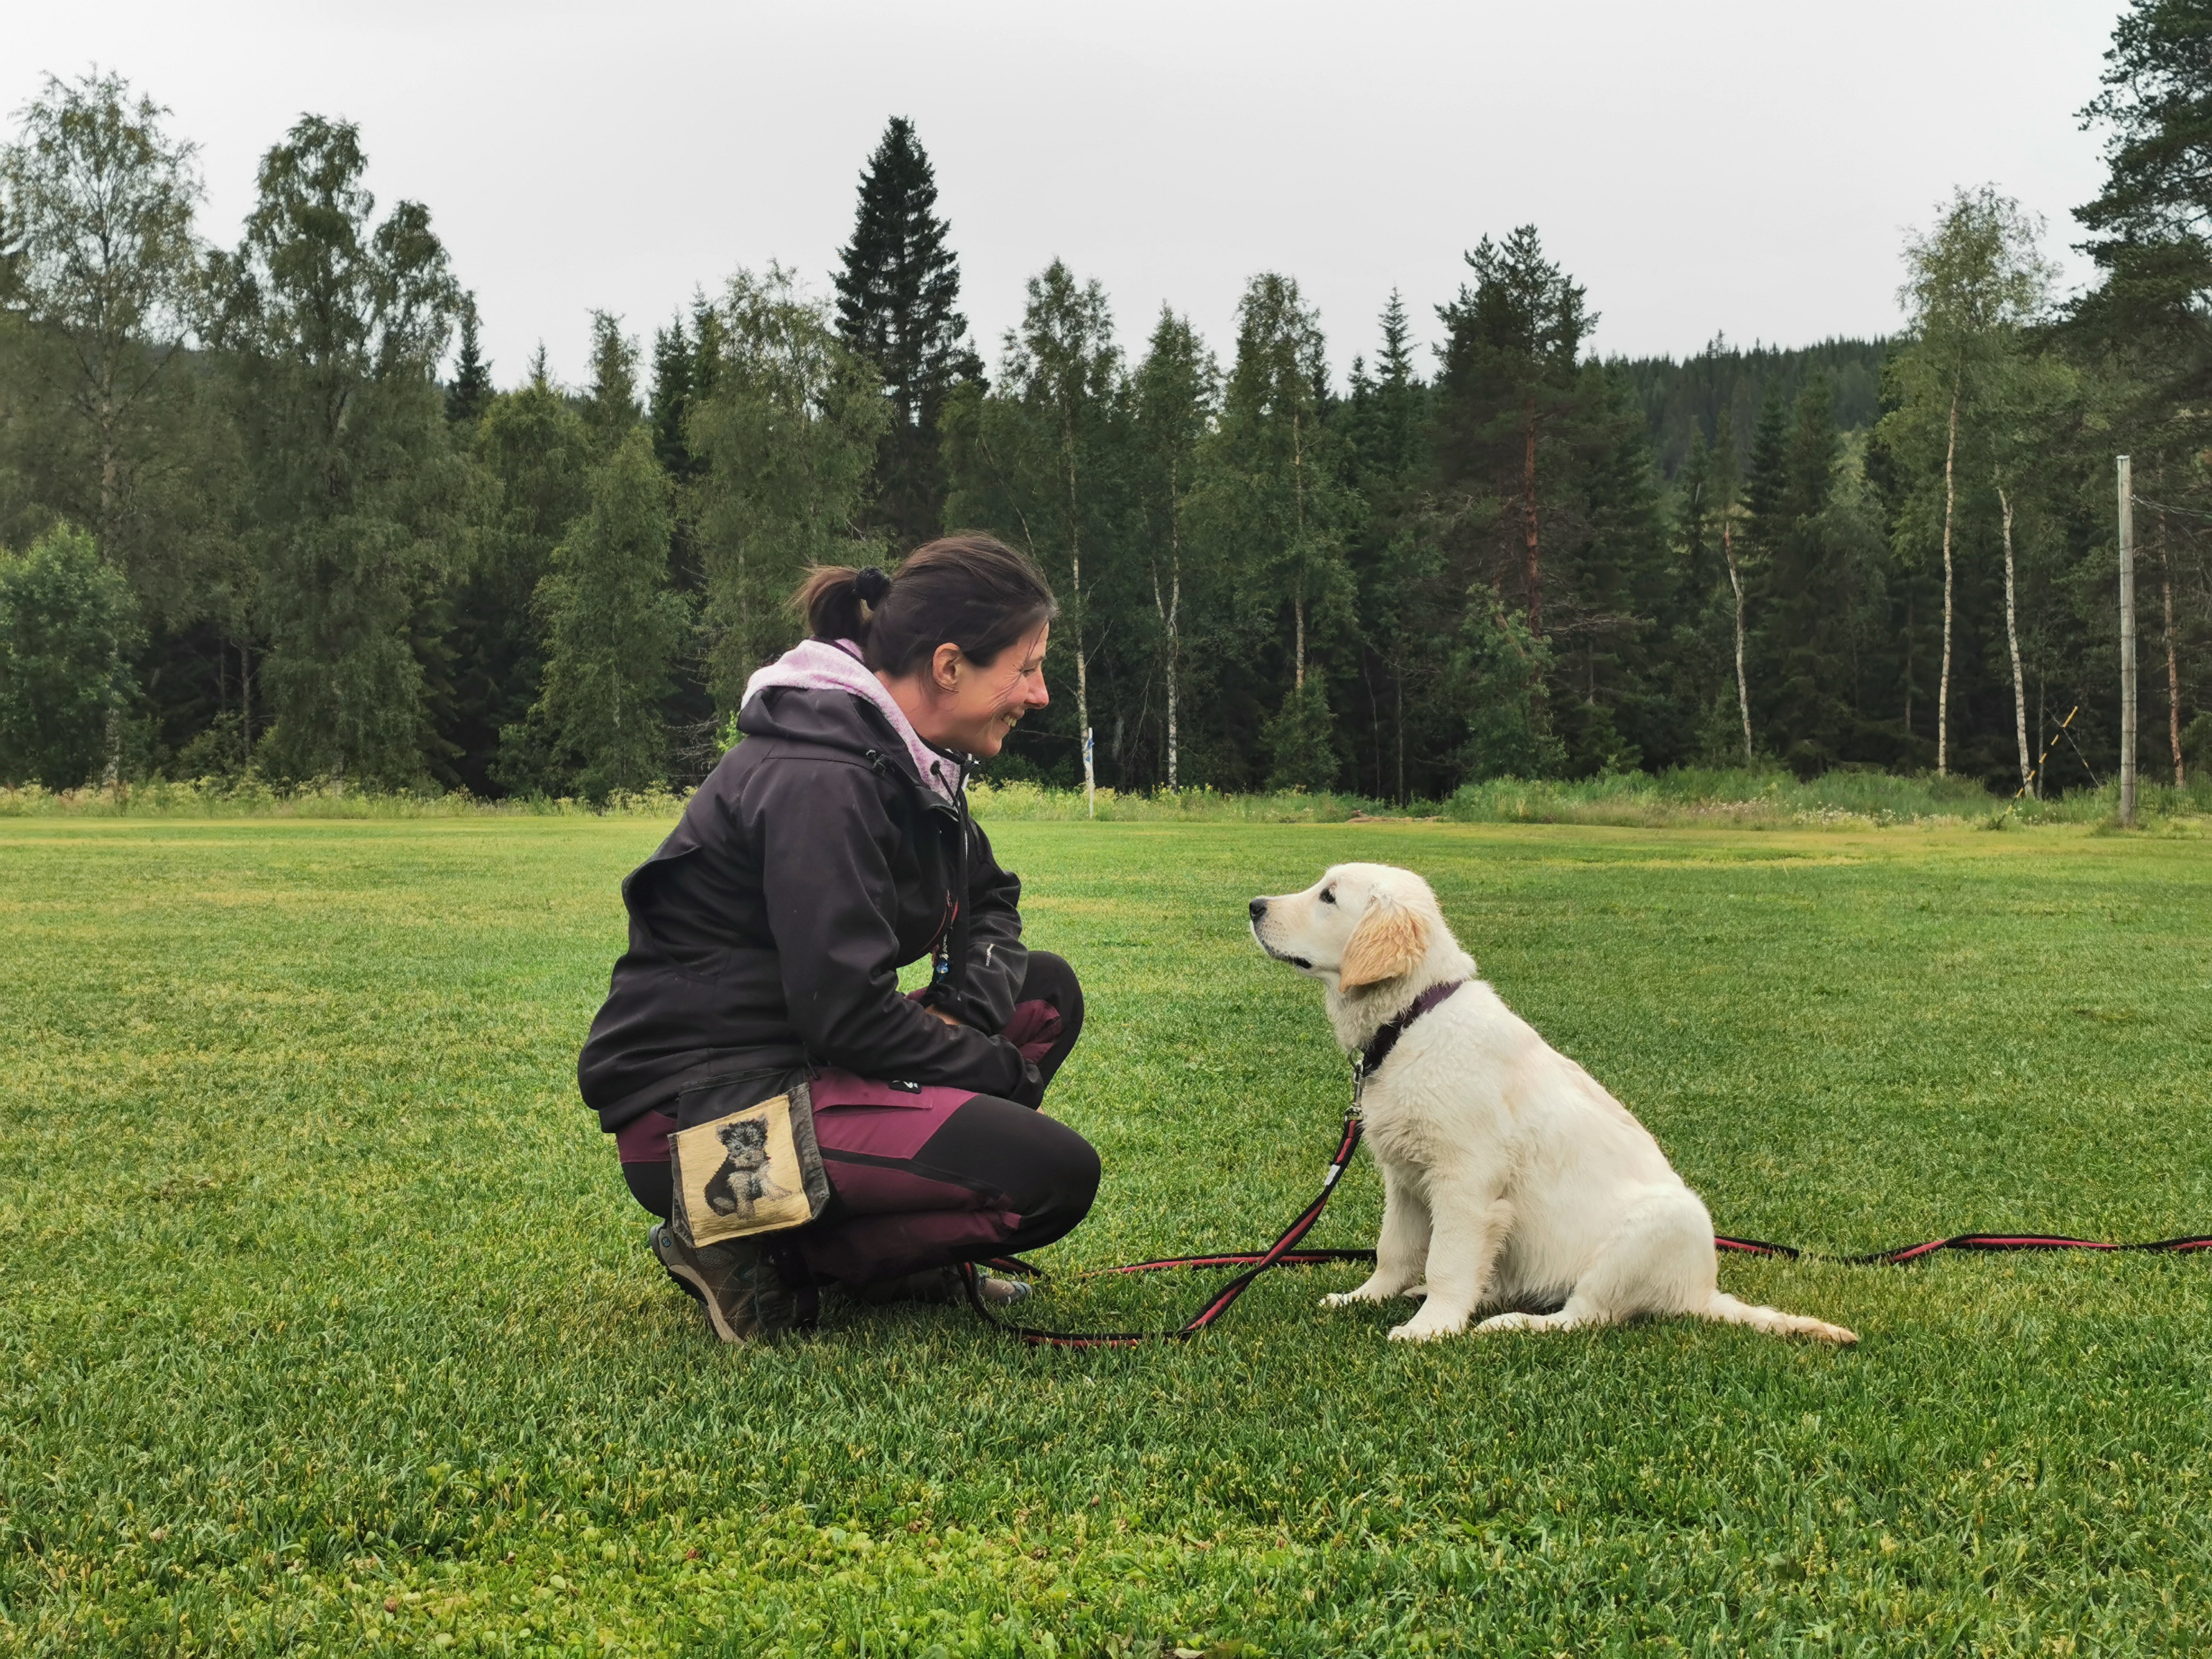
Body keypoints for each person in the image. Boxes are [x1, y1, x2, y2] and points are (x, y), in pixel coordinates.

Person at [577, 535, 1099, 1342]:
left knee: (1043, 993)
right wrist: (995, 1067)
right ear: (950, 665)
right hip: (700, 1122)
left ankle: (886, 1253)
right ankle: (740, 1242)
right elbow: (847, 1017)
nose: (1040, 693)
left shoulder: (906, 761)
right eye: (1026, 667)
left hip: (809, 1066)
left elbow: (990, 899)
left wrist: (963, 1015)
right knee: (1051, 1178)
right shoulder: (821, 780)